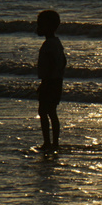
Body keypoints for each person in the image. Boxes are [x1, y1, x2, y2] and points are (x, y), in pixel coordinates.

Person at [35, 9, 67, 150]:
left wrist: (45, 82)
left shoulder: (49, 45)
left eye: (40, 25)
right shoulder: (57, 43)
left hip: (50, 82)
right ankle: (54, 142)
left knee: (44, 111)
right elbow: (63, 61)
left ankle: (49, 142)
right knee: (51, 111)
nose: (38, 28)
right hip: (56, 81)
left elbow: (52, 63)